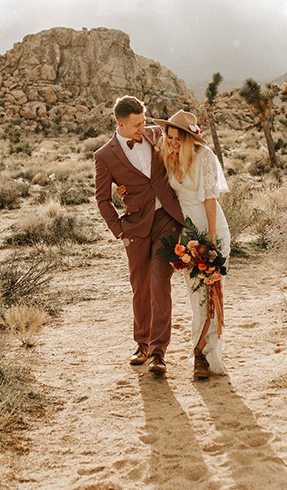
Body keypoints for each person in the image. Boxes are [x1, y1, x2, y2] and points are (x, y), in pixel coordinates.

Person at [94, 96, 184, 376]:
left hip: (166, 220)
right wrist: (118, 230)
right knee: (140, 287)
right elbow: (102, 199)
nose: (142, 128)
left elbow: (181, 148)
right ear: (120, 124)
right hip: (133, 227)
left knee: (159, 283)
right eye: (136, 124)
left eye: (144, 121)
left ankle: (159, 351)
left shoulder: (156, 134)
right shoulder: (104, 156)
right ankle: (141, 343)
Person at [153, 110, 230, 380]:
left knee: (211, 294)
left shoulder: (205, 157)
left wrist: (210, 237)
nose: (172, 143)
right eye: (169, 137)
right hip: (186, 235)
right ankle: (201, 354)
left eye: (177, 138)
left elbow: (210, 197)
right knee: (196, 296)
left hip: (211, 230)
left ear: (190, 138)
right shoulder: (167, 157)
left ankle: (204, 356)